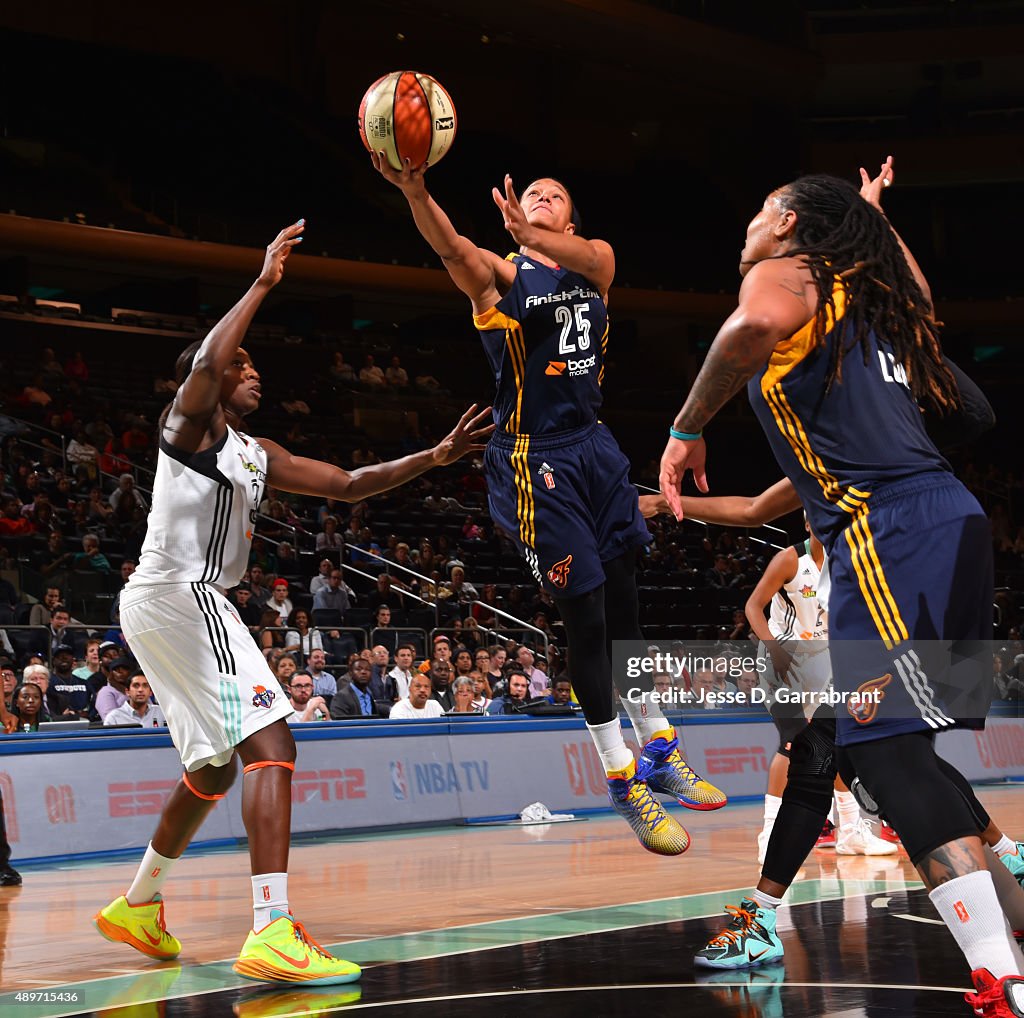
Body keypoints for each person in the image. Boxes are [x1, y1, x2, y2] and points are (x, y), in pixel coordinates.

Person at [657, 158, 1019, 1008]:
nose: (748, 224)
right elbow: (927, 316)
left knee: (884, 758)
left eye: (759, 208)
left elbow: (747, 328)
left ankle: (1000, 978)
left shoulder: (787, 274)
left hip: (890, 534)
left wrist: (683, 429)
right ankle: (1010, 941)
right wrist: (872, 220)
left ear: (787, 222)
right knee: (910, 763)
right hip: (950, 523)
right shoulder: (868, 299)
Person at [93, 220, 493, 986]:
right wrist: (264, 282)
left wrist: (432, 457)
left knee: (212, 769)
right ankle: (272, 930)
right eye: (242, 365)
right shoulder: (185, 424)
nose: (253, 372)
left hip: (162, 601)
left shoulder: (255, 454)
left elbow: (347, 483)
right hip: (183, 594)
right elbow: (209, 359)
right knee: (272, 745)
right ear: (208, 379)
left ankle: (138, 904)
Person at [373, 156, 723, 853]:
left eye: (554, 196)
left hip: (595, 449)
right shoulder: (502, 277)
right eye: (531, 193)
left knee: (626, 604)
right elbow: (450, 247)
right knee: (586, 619)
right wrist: (416, 190)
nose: (539, 197)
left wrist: (534, 235)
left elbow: (594, 254)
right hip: (536, 461)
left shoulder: (594, 266)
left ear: (568, 219)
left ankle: (659, 747)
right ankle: (622, 777)